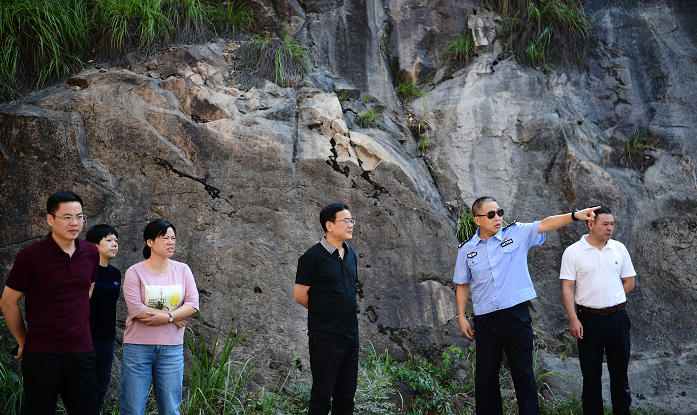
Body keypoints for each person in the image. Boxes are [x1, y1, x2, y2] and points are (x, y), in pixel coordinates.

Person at [454, 196, 599, 415]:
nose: (498, 218)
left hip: (515, 316)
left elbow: (545, 223)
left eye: (500, 212)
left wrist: (574, 216)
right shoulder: (467, 249)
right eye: (491, 214)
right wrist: (462, 316)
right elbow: (463, 284)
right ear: (477, 220)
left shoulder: (517, 233)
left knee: (523, 374)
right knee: (486, 378)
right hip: (485, 321)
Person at [0, 191, 101, 414]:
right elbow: (7, 302)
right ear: (50, 219)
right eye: (67, 217)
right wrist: (24, 341)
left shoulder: (91, 253)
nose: (74, 223)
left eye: (79, 216)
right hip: (42, 354)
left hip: (81, 352)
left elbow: (88, 289)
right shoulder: (31, 256)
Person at [559, 206, 636, 415]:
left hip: (618, 319)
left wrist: (613, 298)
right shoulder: (573, 252)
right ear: (590, 224)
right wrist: (573, 318)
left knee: (620, 375)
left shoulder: (619, 248)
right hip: (588, 320)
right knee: (591, 377)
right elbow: (567, 286)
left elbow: (629, 281)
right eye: (605, 224)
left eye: (612, 224)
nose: (610, 228)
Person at [120, 219, 199, 415]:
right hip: (138, 348)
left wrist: (168, 317)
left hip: (171, 350)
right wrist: (173, 317)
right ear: (150, 242)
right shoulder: (135, 271)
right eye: (165, 238)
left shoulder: (183, 270)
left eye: (173, 238)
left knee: (170, 409)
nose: (171, 242)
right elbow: (137, 309)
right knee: (132, 409)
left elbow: (193, 304)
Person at [293, 202, 359, 415]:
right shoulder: (312, 257)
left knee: (346, 400)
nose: (350, 225)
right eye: (345, 221)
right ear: (329, 225)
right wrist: (325, 313)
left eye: (351, 221)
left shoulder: (350, 254)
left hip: (351, 338)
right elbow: (300, 295)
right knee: (321, 399)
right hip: (326, 339)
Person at [86, 224, 122, 409]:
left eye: (116, 240)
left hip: (107, 340)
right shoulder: (84, 270)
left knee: (101, 390)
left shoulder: (115, 273)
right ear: (93, 245)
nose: (114, 244)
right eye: (108, 240)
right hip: (86, 338)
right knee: (84, 391)